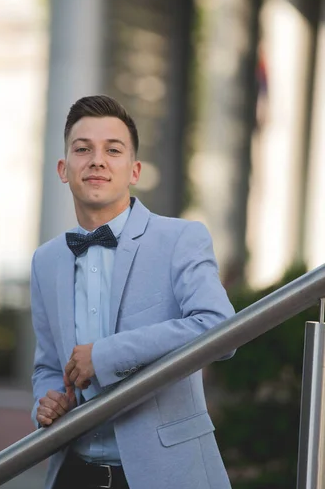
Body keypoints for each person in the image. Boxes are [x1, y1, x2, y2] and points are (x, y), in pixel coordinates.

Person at [30, 95, 235, 489]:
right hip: (74, 473)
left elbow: (220, 330)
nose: (97, 160)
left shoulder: (181, 239)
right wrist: (48, 398)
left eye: (113, 149)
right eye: (83, 149)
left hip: (167, 473)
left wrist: (105, 356)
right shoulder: (45, 260)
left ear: (134, 169)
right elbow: (48, 366)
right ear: (63, 168)